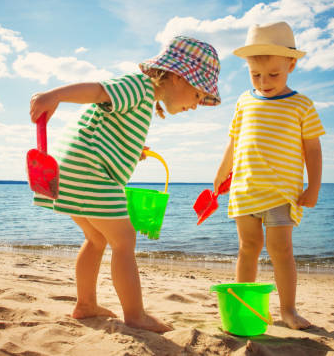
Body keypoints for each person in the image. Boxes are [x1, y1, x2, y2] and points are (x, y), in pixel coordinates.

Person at [30, 36, 220, 333]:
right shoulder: (138, 86)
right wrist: (53, 96)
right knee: (125, 241)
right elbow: (98, 91)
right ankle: (135, 315)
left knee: (97, 239)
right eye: (197, 96)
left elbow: (110, 128)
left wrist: (133, 151)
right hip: (91, 171)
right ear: (177, 76)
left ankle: (86, 304)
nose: (196, 106)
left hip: (70, 171)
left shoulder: (144, 100)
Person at [213, 21, 324, 330]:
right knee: (247, 248)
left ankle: (288, 310)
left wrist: (313, 187)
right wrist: (220, 175)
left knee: (282, 251)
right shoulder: (244, 101)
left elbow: (312, 150)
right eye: (255, 75)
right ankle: (242, 306)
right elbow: (234, 143)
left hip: (281, 193)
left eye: (273, 74)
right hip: (244, 190)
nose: (263, 82)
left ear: (291, 64)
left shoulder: (301, 105)